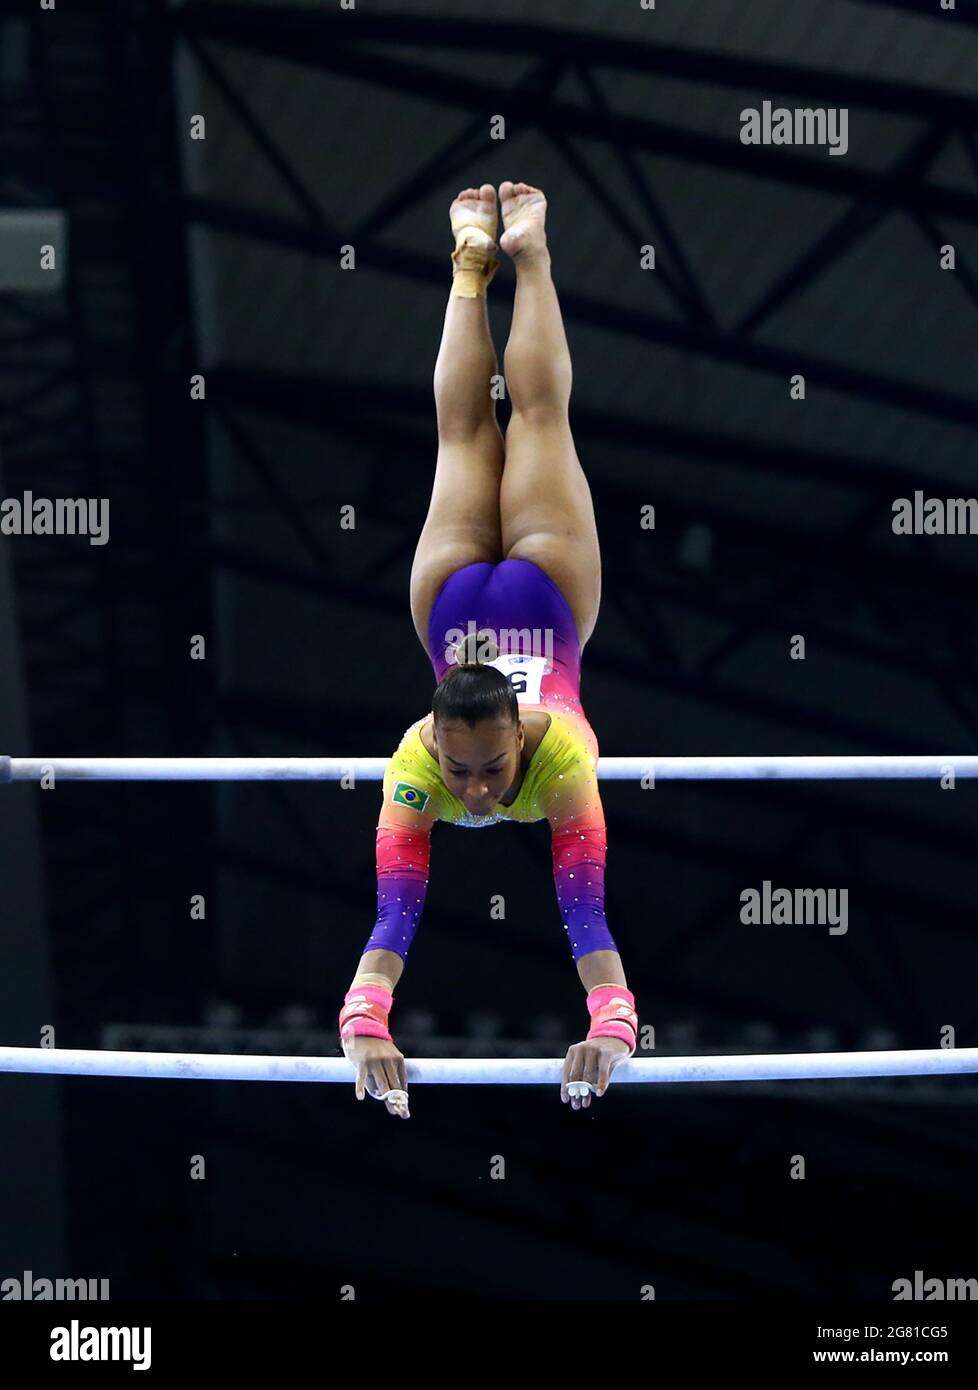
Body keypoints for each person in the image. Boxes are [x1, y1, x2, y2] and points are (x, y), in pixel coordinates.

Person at [339, 182, 638, 1118]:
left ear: (521, 734)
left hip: (454, 602)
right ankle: (515, 255)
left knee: (473, 430)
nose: (472, 791)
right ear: (432, 736)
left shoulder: (557, 758)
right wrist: (366, 1023)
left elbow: (582, 910)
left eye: (485, 769)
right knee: (533, 423)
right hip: (543, 594)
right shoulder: (424, 765)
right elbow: (396, 911)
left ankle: (488, 263)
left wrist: (608, 1020)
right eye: (464, 773)